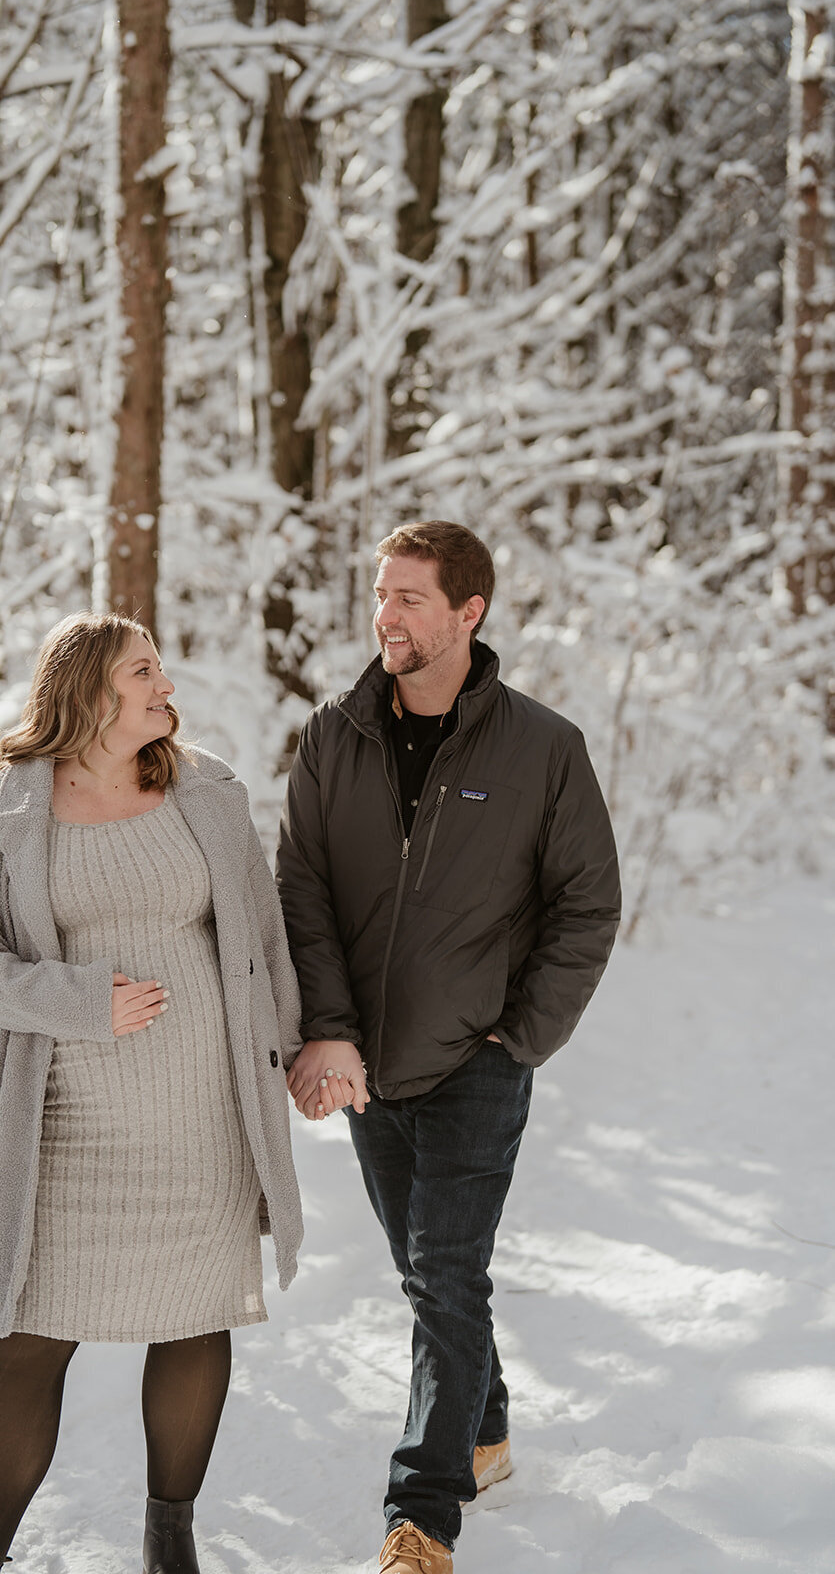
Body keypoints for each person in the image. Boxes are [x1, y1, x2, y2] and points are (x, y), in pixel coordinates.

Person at [0, 612, 303, 1574]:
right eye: (144, 671)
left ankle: (168, 1536)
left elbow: (262, 942)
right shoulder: (9, 808)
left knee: (194, 1317)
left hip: (203, 1120)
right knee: (25, 1341)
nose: (165, 684)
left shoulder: (205, 788)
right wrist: (75, 1000)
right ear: (92, 690)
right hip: (62, 1128)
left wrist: (300, 1053)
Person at [276, 521, 620, 1574]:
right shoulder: (332, 737)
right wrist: (327, 1029)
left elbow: (586, 904)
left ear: (467, 613)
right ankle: (484, 1420)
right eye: (380, 595)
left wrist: (518, 1034)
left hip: (475, 1064)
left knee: (441, 1270)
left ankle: (420, 1514)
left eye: (410, 598)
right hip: (366, 1069)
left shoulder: (540, 748)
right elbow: (303, 894)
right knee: (433, 1278)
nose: (386, 615)